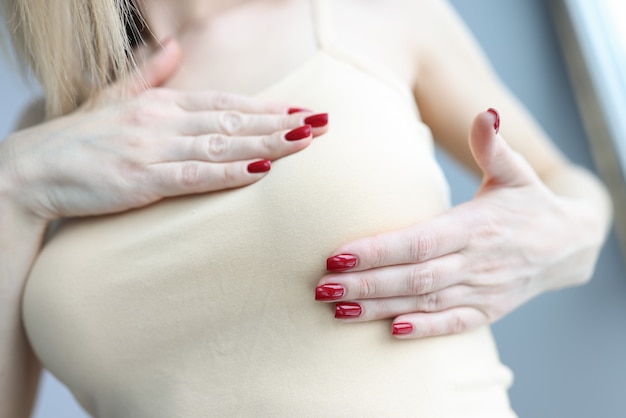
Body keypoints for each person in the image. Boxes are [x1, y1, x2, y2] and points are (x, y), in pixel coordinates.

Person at [0, 0, 612, 417]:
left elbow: (573, 189)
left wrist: (560, 233)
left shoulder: (368, 13)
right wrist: (14, 183)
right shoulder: (49, 136)